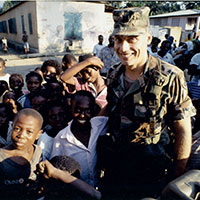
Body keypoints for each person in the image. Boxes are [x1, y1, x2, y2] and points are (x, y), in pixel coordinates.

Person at [99, 6, 195, 199]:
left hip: (151, 174)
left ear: (148, 39)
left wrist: (177, 175)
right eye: (118, 40)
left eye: (132, 39)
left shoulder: (169, 76)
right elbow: (111, 112)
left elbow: (183, 129)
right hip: (116, 169)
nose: (123, 48)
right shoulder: (113, 75)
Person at [51, 90, 108, 187]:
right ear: (70, 110)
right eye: (77, 110)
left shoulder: (99, 124)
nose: (82, 115)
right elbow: (55, 169)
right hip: (76, 190)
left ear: (93, 110)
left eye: (88, 111)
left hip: (98, 188)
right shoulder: (62, 138)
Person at [0, 108, 43, 199]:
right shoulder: (1, 157)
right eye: (17, 129)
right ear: (12, 127)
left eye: (29, 132)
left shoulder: (37, 152)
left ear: (38, 134)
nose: (21, 135)